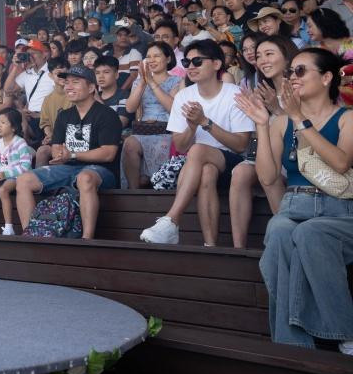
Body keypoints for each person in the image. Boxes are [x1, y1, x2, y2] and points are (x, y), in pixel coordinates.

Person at [236, 47, 353, 351]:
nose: (292, 78)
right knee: (279, 230)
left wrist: (300, 119)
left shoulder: (347, 119)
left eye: (300, 71)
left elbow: (341, 164)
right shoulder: (279, 122)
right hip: (294, 205)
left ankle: (345, 332)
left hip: (339, 210)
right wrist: (262, 125)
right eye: (291, 72)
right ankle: (293, 345)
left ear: (327, 77)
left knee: (308, 232)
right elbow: (268, 177)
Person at [140, 39, 255, 246]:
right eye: (187, 63)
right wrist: (192, 126)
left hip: (234, 162)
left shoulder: (234, 93)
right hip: (199, 165)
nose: (191, 67)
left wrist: (205, 122)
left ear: (217, 64)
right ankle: (210, 245)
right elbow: (181, 146)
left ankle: (172, 219)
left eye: (198, 61)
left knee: (199, 150)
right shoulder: (184, 96)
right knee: (206, 171)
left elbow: (240, 145)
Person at [15, 65, 122, 240]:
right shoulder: (64, 116)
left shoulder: (106, 115)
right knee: (23, 180)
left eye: (75, 82)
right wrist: (61, 153)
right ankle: (31, 233)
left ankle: (87, 239)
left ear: (91, 88)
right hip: (67, 168)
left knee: (85, 178)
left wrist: (72, 155)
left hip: (101, 171)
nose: (68, 87)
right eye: (67, 83)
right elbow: (57, 147)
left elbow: (108, 153)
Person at [228, 36, 295, 248]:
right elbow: (260, 136)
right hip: (269, 154)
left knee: (270, 174)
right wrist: (254, 114)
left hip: (296, 155)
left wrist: (276, 109)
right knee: (241, 171)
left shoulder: (298, 85)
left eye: (269, 54)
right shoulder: (262, 90)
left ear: (286, 56)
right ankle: (238, 247)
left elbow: (306, 129)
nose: (262, 60)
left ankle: (286, 237)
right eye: (258, 56)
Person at [122, 42, 183, 189]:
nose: (151, 60)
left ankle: (158, 186)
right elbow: (130, 108)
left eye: (156, 56)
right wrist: (143, 82)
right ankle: (133, 193)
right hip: (143, 129)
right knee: (129, 143)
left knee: (161, 144)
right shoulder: (140, 81)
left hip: (167, 130)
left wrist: (152, 82)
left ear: (168, 59)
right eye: (148, 57)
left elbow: (173, 108)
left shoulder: (177, 81)